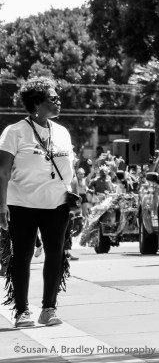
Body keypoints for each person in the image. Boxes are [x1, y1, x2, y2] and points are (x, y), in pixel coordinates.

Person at [0, 77, 75, 327]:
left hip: (57, 204)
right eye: (53, 98)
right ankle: (22, 311)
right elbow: (3, 172)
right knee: (22, 255)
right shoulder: (14, 132)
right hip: (22, 203)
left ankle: (48, 309)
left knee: (56, 254)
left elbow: (70, 170)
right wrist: (1, 205)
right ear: (36, 103)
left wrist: (75, 198)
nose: (58, 101)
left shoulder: (62, 132)